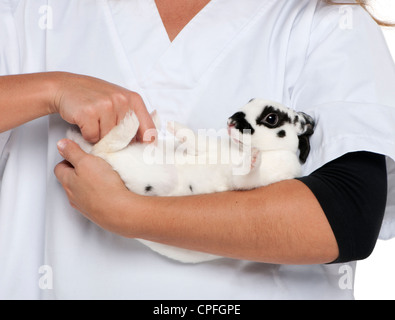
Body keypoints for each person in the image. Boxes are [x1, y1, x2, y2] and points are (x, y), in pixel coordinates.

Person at [1, 0, 395, 300]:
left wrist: (128, 213)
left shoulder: (323, 26)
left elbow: (346, 216)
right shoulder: (33, 14)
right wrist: (49, 88)